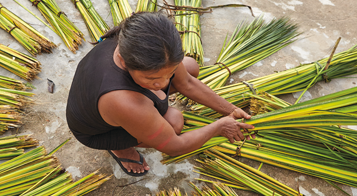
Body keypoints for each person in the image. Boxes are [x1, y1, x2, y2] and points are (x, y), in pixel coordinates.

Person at [66, 12, 254, 176]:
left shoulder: (146, 44)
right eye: (152, 78)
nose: (164, 84)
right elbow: (175, 146)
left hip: (113, 100)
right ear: (124, 62)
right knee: (174, 121)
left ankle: (150, 93)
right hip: (100, 131)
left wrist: (231, 109)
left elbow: (186, 82)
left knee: (190, 67)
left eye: (169, 74)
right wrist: (219, 127)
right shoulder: (123, 101)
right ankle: (120, 148)